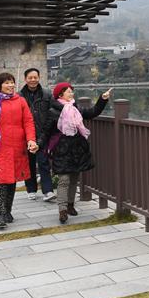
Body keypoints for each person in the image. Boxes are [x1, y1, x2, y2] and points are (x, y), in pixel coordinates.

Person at [39, 82, 110, 223]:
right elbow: (46, 132)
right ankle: (62, 210)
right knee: (64, 179)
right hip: (61, 149)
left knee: (73, 179)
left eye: (72, 91)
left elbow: (93, 112)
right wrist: (38, 144)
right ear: (60, 95)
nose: (71, 94)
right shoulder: (53, 112)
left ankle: (71, 205)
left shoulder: (75, 108)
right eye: (68, 91)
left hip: (77, 149)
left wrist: (103, 99)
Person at [0, 72, 37, 229]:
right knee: (0, 179)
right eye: (6, 83)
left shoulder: (21, 101)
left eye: (12, 82)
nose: (10, 85)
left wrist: (31, 139)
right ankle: (1, 212)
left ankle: (8, 210)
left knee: (12, 179)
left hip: (18, 146)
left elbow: (28, 121)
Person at [19, 68, 55, 202]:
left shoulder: (46, 94)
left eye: (35, 77)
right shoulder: (19, 96)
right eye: (30, 78)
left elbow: (51, 114)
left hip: (43, 133)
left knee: (44, 162)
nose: (33, 80)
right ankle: (31, 189)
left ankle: (48, 191)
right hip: (25, 136)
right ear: (25, 79)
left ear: (39, 78)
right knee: (28, 163)